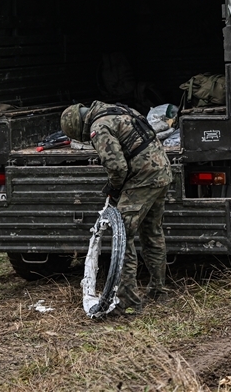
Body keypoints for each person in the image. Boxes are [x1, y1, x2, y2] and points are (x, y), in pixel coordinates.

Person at [61, 101, 173, 314]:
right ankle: (158, 290)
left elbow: (117, 166)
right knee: (152, 232)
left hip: (143, 178)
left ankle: (128, 301)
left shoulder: (99, 127)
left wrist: (113, 188)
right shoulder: (120, 109)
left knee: (123, 236)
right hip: (162, 171)